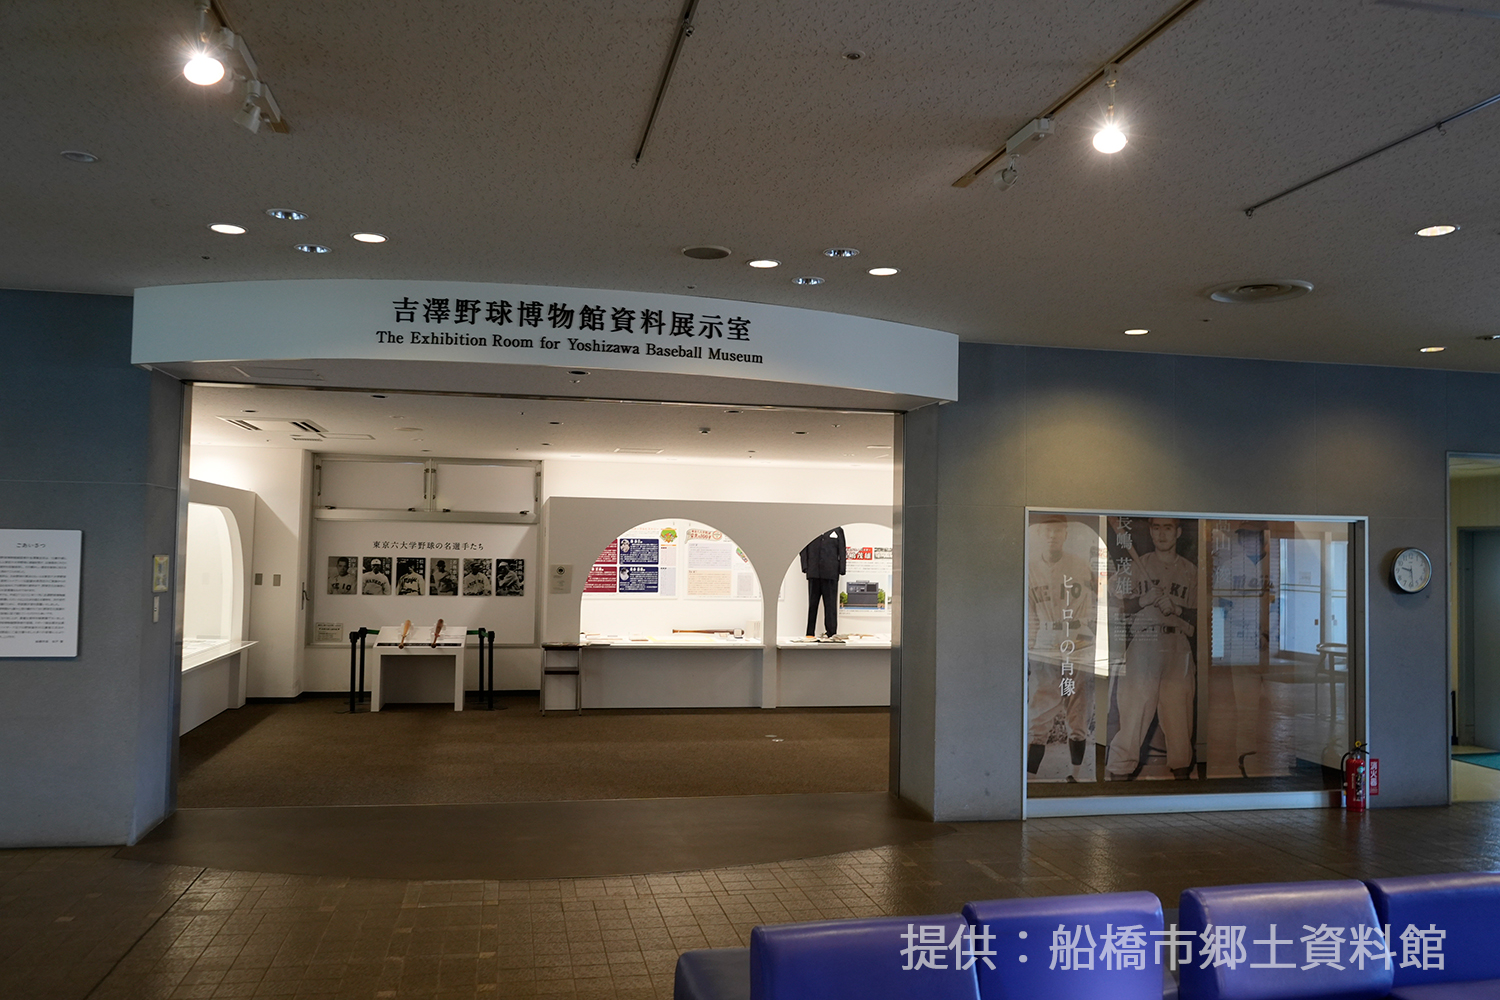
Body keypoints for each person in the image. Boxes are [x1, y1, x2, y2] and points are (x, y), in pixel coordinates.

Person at [1107, 517, 1197, 780]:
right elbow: (1110, 604)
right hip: (1144, 642)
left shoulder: (1191, 571)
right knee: (1133, 714)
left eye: (1167, 527)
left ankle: (1182, 783)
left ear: (1178, 532)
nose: (1161, 533)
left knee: (1180, 719)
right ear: (1150, 531)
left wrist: (1178, 609)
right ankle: (1118, 777)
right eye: (1156, 528)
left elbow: (1205, 615)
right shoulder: (1138, 566)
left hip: (1178, 644)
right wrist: (1142, 600)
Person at [1025, 516, 1098, 782]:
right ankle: (1030, 778)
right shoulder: (1030, 569)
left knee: (1079, 711)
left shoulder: (1080, 566)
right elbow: (1030, 615)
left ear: (1065, 533)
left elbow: (1097, 605)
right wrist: (1029, 648)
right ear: (1040, 534)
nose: (1052, 536)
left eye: (1057, 530)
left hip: (1078, 639)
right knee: (1039, 711)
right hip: (1046, 640)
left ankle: (1076, 774)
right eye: (1047, 531)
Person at [800, 526, 847, 636]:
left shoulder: (838, 530)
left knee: (831, 606)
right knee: (812, 605)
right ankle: (810, 633)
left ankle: (831, 633)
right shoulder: (809, 529)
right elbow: (802, 548)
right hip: (813, 572)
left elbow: (842, 550)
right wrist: (805, 566)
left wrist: (842, 569)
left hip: (831, 573)